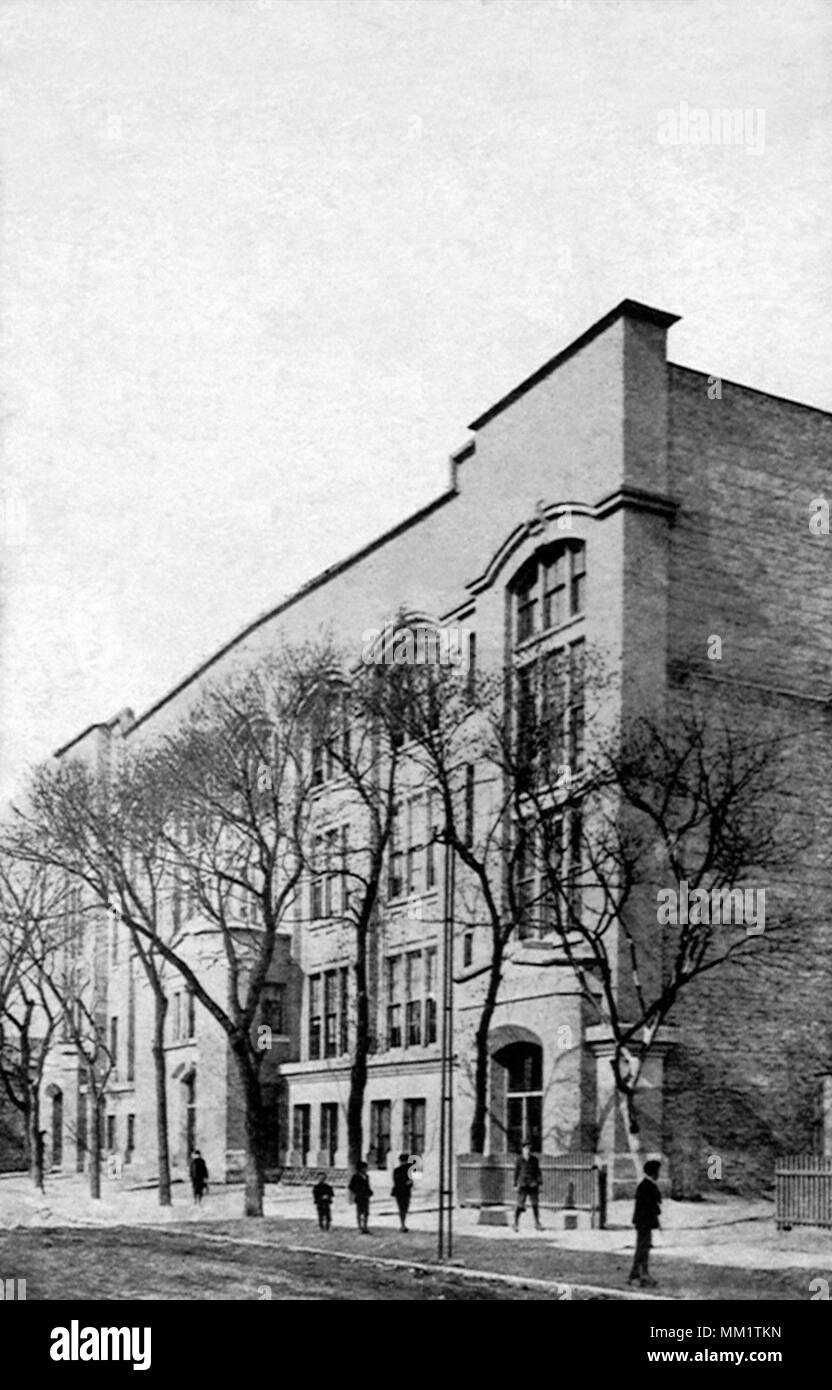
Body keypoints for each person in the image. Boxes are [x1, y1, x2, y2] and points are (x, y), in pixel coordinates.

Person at [628, 1159, 662, 1287]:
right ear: (654, 1172)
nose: (659, 1174)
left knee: (642, 1248)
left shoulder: (646, 1185)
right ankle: (641, 1274)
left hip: (643, 1223)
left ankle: (637, 1274)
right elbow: (650, 1205)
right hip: (644, 1223)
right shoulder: (647, 1186)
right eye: (658, 1171)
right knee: (643, 1249)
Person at [513, 1140, 543, 1231]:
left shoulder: (534, 1160)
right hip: (523, 1184)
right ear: (522, 1149)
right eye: (526, 1148)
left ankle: (537, 1223)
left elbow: (538, 1172)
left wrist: (540, 1183)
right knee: (520, 1205)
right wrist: (515, 1184)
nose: (528, 1150)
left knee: (535, 1205)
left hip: (533, 1184)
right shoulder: (519, 1160)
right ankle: (515, 1223)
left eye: (529, 1148)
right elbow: (516, 1172)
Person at [391, 1152, 414, 1232]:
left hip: (400, 1191)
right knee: (403, 1208)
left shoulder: (398, 1170)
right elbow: (409, 1182)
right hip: (403, 1191)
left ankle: (403, 1224)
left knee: (403, 1208)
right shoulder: (406, 1170)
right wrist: (407, 1183)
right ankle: (403, 1225)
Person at [348, 1161, 373, 1233]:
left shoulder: (367, 1176)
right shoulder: (355, 1176)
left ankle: (365, 1226)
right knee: (359, 1212)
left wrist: (369, 1191)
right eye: (365, 1168)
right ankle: (360, 1227)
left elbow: (367, 1185)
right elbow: (351, 1186)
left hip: (366, 1196)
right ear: (361, 1168)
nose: (366, 1169)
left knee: (366, 1212)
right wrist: (357, 1192)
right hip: (359, 1196)